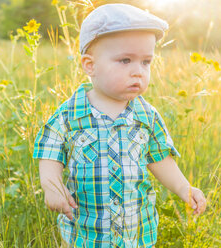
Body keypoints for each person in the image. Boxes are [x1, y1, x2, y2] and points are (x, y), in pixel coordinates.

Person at [33, 3, 207, 247]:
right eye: (125, 60)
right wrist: (52, 186)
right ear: (89, 65)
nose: (138, 71)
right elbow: (50, 152)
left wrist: (184, 188)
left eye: (146, 62)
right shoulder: (69, 114)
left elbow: (160, 159)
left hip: (135, 231)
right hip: (84, 232)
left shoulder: (147, 116)